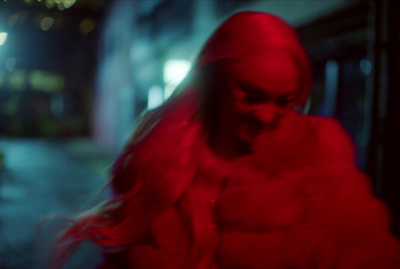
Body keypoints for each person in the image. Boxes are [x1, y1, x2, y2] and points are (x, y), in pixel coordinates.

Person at [52, 11, 400, 268]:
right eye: (251, 95)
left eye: (283, 103)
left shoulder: (321, 170)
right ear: (214, 84)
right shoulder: (164, 169)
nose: (265, 117)